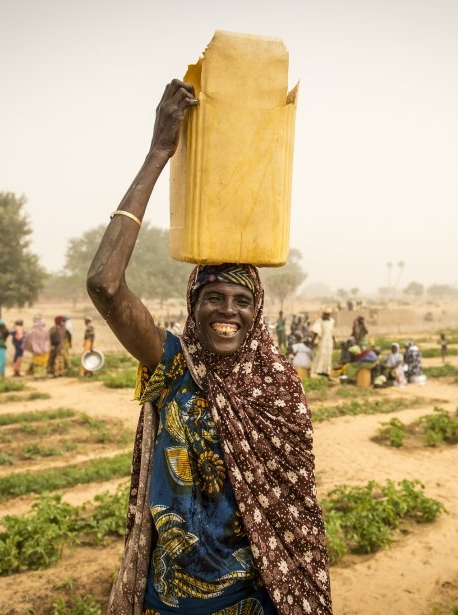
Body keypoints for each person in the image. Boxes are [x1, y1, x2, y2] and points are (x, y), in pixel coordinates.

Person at [86, 79, 331, 615]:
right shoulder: (174, 365)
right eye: (212, 297)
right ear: (193, 306)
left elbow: (293, 516)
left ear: (257, 311)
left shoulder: (277, 385)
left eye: (241, 300)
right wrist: (158, 153)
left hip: (255, 600)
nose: (226, 310)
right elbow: (105, 284)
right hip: (170, 601)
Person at [310, 308, 335, 378]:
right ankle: (319, 370)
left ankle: (326, 371)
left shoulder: (332, 321)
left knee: (328, 356)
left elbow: (332, 332)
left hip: (329, 342)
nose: (327, 316)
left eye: (328, 314)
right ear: (323, 314)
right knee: (321, 355)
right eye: (325, 314)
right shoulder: (319, 321)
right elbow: (316, 332)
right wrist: (312, 341)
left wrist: (334, 341)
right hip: (322, 341)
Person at [24, 315, 50, 379]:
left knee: (37, 363)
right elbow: (48, 341)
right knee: (43, 363)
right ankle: (43, 375)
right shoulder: (46, 331)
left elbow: (28, 338)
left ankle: (37, 375)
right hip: (45, 350)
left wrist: (31, 347)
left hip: (36, 350)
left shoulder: (33, 331)